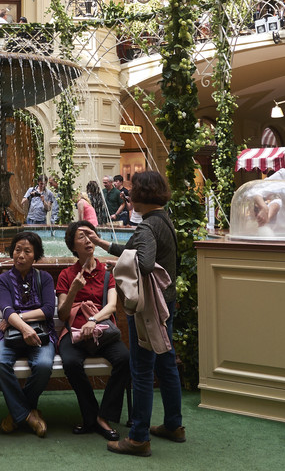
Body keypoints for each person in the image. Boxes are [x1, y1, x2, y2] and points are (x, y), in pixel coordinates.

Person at [87, 171, 183, 456]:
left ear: (141, 196)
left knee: (141, 370)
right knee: (166, 364)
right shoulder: (163, 220)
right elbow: (135, 249)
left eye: (132, 193)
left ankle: (139, 437)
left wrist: (121, 272)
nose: (128, 197)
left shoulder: (146, 227)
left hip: (148, 308)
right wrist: (103, 243)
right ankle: (174, 425)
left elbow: (143, 262)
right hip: (166, 304)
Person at [56, 220, 129, 442]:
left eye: (91, 235)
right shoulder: (67, 275)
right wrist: (73, 290)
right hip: (75, 333)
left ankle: (103, 417)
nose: (88, 240)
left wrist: (92, 319)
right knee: (70, 362)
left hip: (102, 331)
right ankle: (91, 415)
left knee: (125, 359)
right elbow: (62, 314)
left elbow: (112, 306)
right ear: (72, 246)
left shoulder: (106, 271)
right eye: (81, 237)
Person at [0, 230, 55, 437]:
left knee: (43, 365)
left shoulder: (44, 278)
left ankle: (18, 412)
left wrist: (18, 318)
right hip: (11, 336)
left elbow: (48, 311)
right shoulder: (3, 280)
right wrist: (20, 324)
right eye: (18, 250)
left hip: (42, 335)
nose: (21, 255)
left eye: (27, 251)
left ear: (35, 255)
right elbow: (6, 309)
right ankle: (29, 414)